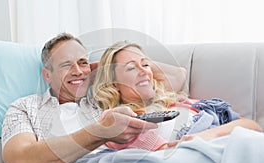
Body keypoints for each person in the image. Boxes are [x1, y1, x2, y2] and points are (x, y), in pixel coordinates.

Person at [1, 33, 161, 163]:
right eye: (66, 65)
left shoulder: (102, 101)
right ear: (47, 75)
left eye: (82, 62)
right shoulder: (25, 108)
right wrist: (100, 131)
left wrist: (110, 67)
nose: (77, 71)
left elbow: (179, 76)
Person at [90, 41, 262, 151]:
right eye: (131, 68)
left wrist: (204, 136)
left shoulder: (183, 103)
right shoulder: (123, 122)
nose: (144, 71)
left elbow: (251, 125)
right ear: (113, 84)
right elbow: (165, 153)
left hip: (235, 145)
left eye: (146, 64)